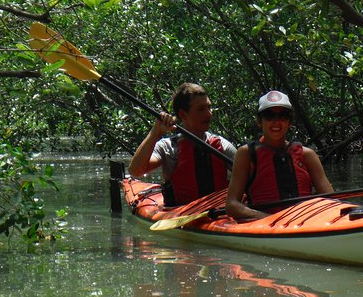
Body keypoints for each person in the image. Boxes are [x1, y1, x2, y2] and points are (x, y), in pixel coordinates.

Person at [226, 90, 334, 220]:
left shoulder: (308, 155)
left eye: (283, 115)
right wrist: (271, 219)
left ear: (289, 121)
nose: (276, 122)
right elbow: (232, 205)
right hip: (265, 225)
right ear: (260, 121)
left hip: (304, 222)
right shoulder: (246, 154)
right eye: (269, 115)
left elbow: (331, 200)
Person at [129, 83, 237, 207]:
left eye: (209, 107)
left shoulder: (222, 145)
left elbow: (251, 175)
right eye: (201, 109)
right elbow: (135, 171)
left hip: (219, 213)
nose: (209, 114)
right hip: (181, 212)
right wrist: (155, 132)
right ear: (183, 115)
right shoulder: (168, 147)